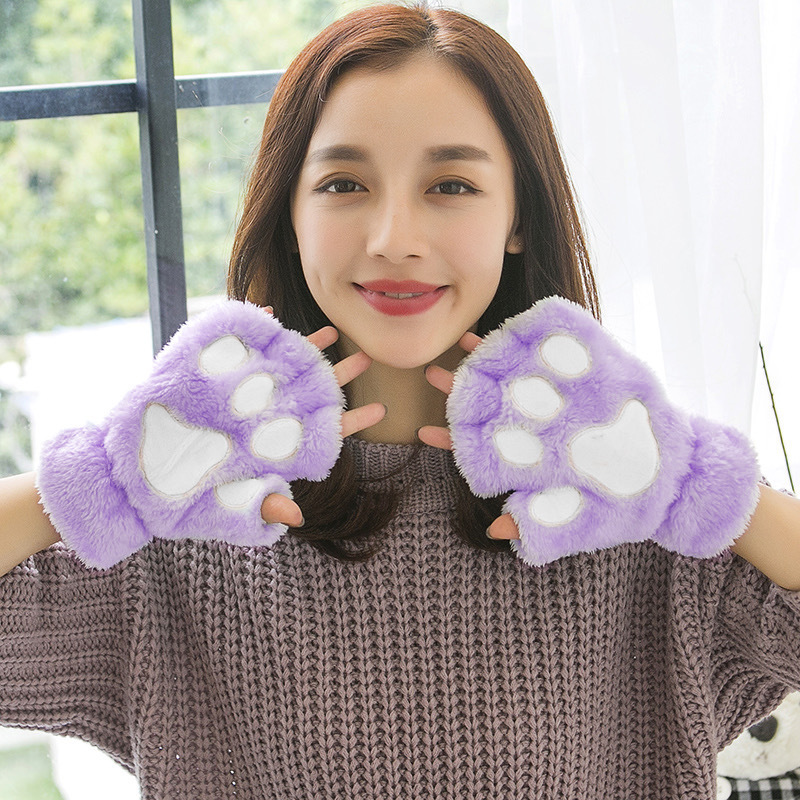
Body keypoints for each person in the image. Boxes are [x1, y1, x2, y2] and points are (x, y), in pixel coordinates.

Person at [2, 4, 800, 798]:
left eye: (451, 184)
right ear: (292, 214)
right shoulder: (194, 511)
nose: (394, 238)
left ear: (518, 216)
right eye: (343, 184)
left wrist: (694, 480)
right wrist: (97, 481)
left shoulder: (621, 499)